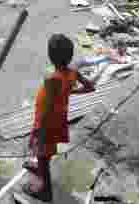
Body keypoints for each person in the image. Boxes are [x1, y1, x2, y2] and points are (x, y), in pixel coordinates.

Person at [23, 34, 95, 202]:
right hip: (58, 119)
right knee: (44, 152)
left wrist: (37, 131)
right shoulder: (72, 72)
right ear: (70, 56)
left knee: (41, 151)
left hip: (46, 122)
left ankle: (44, 191)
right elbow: (90, 87)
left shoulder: (51, 79)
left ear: (50, 56)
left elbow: (46, 110)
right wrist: (70, 91)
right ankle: (40, 167)